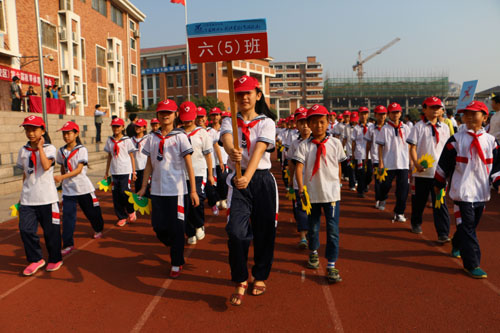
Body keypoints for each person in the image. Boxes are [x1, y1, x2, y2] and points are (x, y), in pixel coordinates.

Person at [220, 75, 278, 306]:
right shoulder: (229, 120)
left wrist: (248, 177)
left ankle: (260, 275)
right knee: (236, 232)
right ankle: (240, 278)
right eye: (239, 94)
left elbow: (260, 150)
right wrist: (231, 148)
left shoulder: (267, 122)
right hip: (238, 180)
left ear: (258, 95)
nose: (244, 97)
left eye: (248, 93)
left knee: (265, 232)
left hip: (261, 179)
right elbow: (225, 137)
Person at [435, 101, 500, 279]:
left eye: (475, 114)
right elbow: (444, 164)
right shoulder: (456, 140)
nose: (470, 117)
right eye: (466, 114)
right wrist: (439, 184)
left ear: (485, 117)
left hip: (481, 192)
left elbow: (495, 167)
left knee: (469, 226)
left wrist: (498, 182)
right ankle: (472, 264)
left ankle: (457, 243)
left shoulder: (491, 142)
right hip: (462, 192)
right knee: (469, 227)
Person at [137, 99, 199, 278]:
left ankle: (176, 261)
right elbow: (149, 163)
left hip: (177, 191)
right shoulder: (152, 138)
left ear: (175, 115)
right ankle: (176, 245)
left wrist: (193, 190)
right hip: (157, 190)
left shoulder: (180, 137)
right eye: (162, 112)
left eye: (169, 112)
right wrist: (143, 187)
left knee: (177, 228)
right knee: (158, 227)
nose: (165, 116)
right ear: (157, 115)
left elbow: (189, 165)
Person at [294, 104, 346, 284]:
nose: (318, 126)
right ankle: (314, 252)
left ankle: (331, 264)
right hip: (312, 194)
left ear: (328, 122)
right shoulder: (304, 146)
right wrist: (301, 188)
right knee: (313, 226)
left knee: (333, 230)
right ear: (308, 123)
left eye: (322, 122)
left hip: (331, 195)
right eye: (314, 122)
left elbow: (339, 164)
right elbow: (299, 167)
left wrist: (337, 183)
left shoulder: (335, 143)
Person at [17, 115, 62, 276]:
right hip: (28, 199)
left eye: (34, 129)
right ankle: (36, 259)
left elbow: (45, 165)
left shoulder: (50, 149)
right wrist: (22, 193)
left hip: (47, 198)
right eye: (27, 129)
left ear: (42, 130)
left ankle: (55, 258)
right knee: (25, 229)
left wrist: (40, 148)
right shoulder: (23, 150)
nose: (30, 133)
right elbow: (25, 173)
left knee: (51, 232)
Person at [54, 121, 104, 256]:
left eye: (69, 133)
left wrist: (62, 177)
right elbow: (62, 167)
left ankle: (98, 228)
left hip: (83, 188)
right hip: (69, 190)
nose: (66, 136)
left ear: (76, 134)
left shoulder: (81, 150)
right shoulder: (61, 151)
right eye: (64, 133)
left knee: (92, 212)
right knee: (68, 217)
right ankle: (68, 244)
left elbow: (78, 170)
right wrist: (62, 182)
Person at [407, 97, 451, 239]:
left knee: (440, 203)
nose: (435, 110)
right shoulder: (418, 127)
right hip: (422, 173)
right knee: (419, 201)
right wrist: (416, 163)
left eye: (438, 107)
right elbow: (412, 147)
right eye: (432, 107)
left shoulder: (445, 127)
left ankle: (443, 233)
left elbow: (448, 150)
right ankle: (416, 222)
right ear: (424, 109)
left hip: (439, 174)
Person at [179, 101, 214, 245]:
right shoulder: (178, 134)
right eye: (184, 117)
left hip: (199, 172)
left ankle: (199, 224)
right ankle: (190, 231)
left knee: (197, 199)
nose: (187, 121)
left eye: (190, 117)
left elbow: (208, 155)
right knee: (185, 203)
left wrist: (211, 174)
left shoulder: (202, 133)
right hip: (181, 174)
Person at [376, 102, 411, 221]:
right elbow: (380, 147)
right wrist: (381, 162)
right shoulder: (385, 129)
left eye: (397, 112)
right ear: (389, 114)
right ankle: (382, 197)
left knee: (403, 189)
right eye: (393, 112)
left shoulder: (406, 128)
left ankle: (399, 212)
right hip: (388, 163)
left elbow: (411, 145)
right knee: (385, 186)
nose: (395, 115)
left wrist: (411, 160)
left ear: (401, 113)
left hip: (403, 163)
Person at [104, 117, 137, 227]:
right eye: (114, 126)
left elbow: (132, 157)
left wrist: (134, 172)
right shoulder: (110, 141)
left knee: (125, 193)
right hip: (114, 172)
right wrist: (106, 172)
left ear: (123, 127)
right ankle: (121, 217)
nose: (116, 128)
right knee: (116, 196)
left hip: (125, 171)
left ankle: (131, 211)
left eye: (118, 126)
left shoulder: (127, 140)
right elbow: (109, 156)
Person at [286, 107, 311, 249]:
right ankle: (303, 236)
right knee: (301, 210)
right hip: (298, 183)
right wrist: (290, 180)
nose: (305, 126)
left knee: (312, 210)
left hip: (315, 183)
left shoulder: (317, 142)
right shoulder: (295, 144)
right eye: (301, 123)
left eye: (307, 122)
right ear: (297, 124)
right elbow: (291, 162)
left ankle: (310, 233)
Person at [365, 105, 387, 208]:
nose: (382, 116)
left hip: (389, 158)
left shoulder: (388, 127)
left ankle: (383, 197)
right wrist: (366, 156)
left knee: (386, 181)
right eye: (380, 114)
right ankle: (379, 199)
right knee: (378, 179)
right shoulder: (371, 128)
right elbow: (368, 144)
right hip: (376, 158)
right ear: (375, 115)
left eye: (384, 114)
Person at [209, 107, 229, 209]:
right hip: (212, 160)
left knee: (223, 179)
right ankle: (216, 199)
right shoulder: (208, 130)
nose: (215, 117)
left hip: (224, 159)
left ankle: (223, 199)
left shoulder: (224, 129)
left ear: (220, 116)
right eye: (213, 115)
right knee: (213, 181)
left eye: (217, 115)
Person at [351, 106, 373, 197]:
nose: (363, 116)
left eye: (365, 114)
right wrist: (353, 154)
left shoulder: (371, 127)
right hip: (359, 154)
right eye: (362, 114)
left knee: (369, 173)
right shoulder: (356, 128)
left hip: (370, 154)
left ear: (368, 115)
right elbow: (353, 142)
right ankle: (360, 190)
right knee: (360, 173)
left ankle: (366, 184)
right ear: (359, 115)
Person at [131, 118, 149, 194]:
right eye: (136, 126)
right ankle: (139, 205)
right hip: (136, 167)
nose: (137, 128)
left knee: (146, 189)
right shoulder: (131, 139)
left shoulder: (148, 139)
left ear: (144, 128)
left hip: (145, 167)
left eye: (140, 127)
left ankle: (148, 205)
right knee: (137, 188)